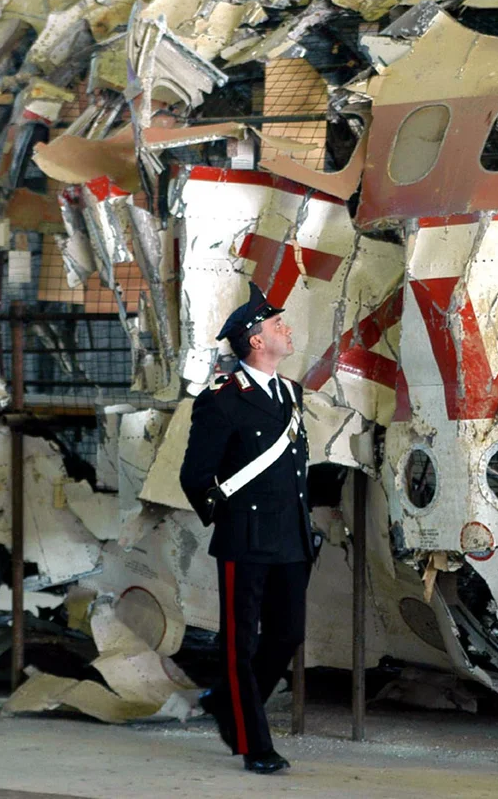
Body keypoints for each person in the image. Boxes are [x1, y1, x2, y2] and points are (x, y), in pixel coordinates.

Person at [180, 282, 316, 774]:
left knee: (287, 635)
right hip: (246, 538)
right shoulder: (222, 400)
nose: (287, 329)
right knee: (240, 645)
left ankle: (225, 701)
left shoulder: (291, 393)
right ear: (256, 340)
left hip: (291, 537)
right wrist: (235, 520)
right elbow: (195, 476)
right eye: (278, 324)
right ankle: (253, 742)